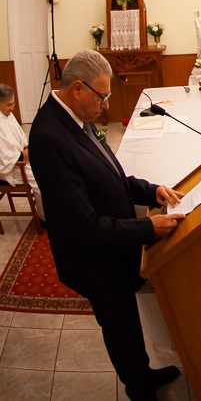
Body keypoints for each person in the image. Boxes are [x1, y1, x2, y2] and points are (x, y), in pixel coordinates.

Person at [28, 51, 185, 400]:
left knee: (127, 320)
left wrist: (152, 191)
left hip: (113, 249)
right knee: (118, 327)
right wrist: (148, 228)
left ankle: (143, 372)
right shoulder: (49, 137)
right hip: (94, 261)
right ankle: (139, 389)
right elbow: (83, 226)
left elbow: (110, 177)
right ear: (78, 89)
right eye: (103, 96)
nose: (107, 104)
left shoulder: (76, 116)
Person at [0, 84, 44, 220]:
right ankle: (44, 218)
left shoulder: (7, 115)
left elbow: (20, 136)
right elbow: (3, 155)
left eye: (13, 104)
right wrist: (24, 156)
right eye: (9, 105)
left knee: (49, 169)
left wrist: (26, 148)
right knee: (41, 181)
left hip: (20, 160)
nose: (12, 108)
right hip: (10, 167)